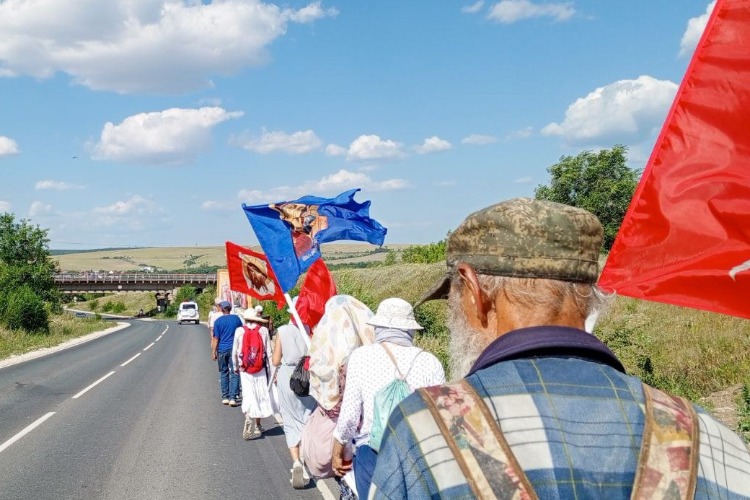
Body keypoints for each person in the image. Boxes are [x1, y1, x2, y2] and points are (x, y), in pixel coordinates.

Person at [370, 198, 750, 499]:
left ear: (473, 289)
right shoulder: (706, 435)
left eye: (451, 295)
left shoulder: (424, 427)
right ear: (587, 295)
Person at [332, 297, 445, 499]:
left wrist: (337, 451)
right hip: (417, 457)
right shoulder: (431, 363)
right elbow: (440, 418)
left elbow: (349, 416)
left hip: (373, 455)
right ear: (410, 330)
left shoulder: (361, 357)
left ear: (379, 328)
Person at [303, 295, 375, 485]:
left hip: (346, 435)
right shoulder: (373, 352)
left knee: (348, 481)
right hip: (373, 433)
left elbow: (331, 405)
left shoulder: (327, 356)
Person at [272, 310, 317, 489]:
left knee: (290, 420)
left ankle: (296, 462)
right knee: (307, 418)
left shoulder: (282, 331)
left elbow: (276, 361)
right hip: (307, 376)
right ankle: (306, 460)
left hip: (287, 376)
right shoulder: (312, 332)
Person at [211, 300, 242, 407]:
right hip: (234, 349)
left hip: (222, 350)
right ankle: (233, 397)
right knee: (235, 372)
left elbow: (216, 338)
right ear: (230, 309)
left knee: (224, 372)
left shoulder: (218, 321)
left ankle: (225, 397)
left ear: (222, 309)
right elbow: (241, 333)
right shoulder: (237, 319)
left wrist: (213, 352)